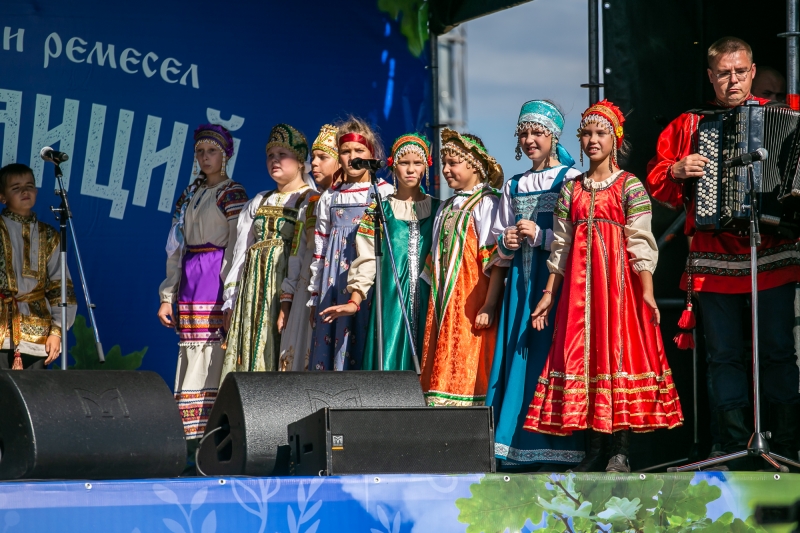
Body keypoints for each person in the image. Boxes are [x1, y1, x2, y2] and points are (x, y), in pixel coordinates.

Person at [646, 36, 800, 470]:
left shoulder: (785, 117)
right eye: (723, 73)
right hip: (713, 258)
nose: (732, 80)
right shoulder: (689, 124)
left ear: (752, 72)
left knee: (777, 352)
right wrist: (676, 170)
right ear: (711, 76)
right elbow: (656, 178)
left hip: (772, 253)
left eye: (740, 72)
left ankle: (788, 444)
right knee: (724, 355)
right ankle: (730, 444)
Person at [524, 100, 684, 473]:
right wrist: (549, 293)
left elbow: (640, 241)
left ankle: (620, 452)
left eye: (601, 133)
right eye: (587, 134)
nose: (593, 140)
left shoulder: (629, 185)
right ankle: (594, 450)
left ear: (616, 139)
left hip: (618, 292)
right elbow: (561, 246)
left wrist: (647, 291)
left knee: (617, 358)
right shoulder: (571, 190)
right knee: (585, 360)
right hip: (578, 296)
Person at [487, 100, 584, 470]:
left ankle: (555, 447)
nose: (529, 140)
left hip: (556, 284)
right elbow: (496, 241)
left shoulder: (571, 179)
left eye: (537, 133)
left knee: (550, 355)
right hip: (520, 287)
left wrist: (542, 236)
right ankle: (512, 446)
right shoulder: (514, 185)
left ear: (553, 136)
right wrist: (506, 241)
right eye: (524, 133)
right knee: (518, 355)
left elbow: (580, 235)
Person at [158, 124, 248, 443]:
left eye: (212, 151)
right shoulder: (188, 195)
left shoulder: (232, 193)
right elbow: (175, 248)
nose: (205, 157)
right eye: (200, 151)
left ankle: (212, 434)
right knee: (191, 352)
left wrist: (231, 292)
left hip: (215, 279)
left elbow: (237, 245)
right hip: (190, 281)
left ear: (225, 155)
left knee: (212, 353)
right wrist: (167, 295)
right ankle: (189, 436)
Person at [321, 133, 440, 370]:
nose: (410, 170)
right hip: (391, 301)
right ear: (393, 166)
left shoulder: (440, 209)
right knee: (389, 361)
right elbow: (367, 260)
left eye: (417, 163)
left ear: (426, 166)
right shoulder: (380, 210)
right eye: (404, 163)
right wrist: (354, 301)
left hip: (430, 303)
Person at [419, 129, 507, 406]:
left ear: (475, 166)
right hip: (444, 300)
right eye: (443, 163)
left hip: (473, 300)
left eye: (453, 163)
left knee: (470, 352)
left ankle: (471, 409)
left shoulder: (487, 203)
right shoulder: (445, 207)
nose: (445, 170)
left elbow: (496, 260)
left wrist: (489, 305)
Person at [220, 124, 315, 379]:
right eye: (270, 155)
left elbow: (305, 252)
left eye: (282, 154)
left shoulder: (309, 199)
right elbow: (240, 252)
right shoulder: (259, 200)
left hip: (286, 287)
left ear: (300, 160)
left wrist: (290, 297)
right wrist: (231, 299)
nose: (275, 160)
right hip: (253, 291)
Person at [307, 117, 394, 371]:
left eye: (359, 150)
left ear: (372, 154)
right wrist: (315, 296)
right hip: (335, 280)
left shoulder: (384, 192)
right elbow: (320, 250)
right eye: (345, 151)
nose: (352, 157)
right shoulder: (330, 197)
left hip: (370, 279)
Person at [0, 163, 76, 370]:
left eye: (29, 186)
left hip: (38, 334)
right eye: (16, 188)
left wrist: (57, 331)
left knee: (32, 389)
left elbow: (60, 286)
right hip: (2, 330)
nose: (24, 191)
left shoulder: (48, 235)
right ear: (2, 196)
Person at [278, 124, 340, 371]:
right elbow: (297, 253)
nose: (314, 163)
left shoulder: (353, 199)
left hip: (335, 287)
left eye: (323, 157)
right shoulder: (308, 202)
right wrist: (287, 301)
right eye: (313, 157)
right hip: (305, 292)